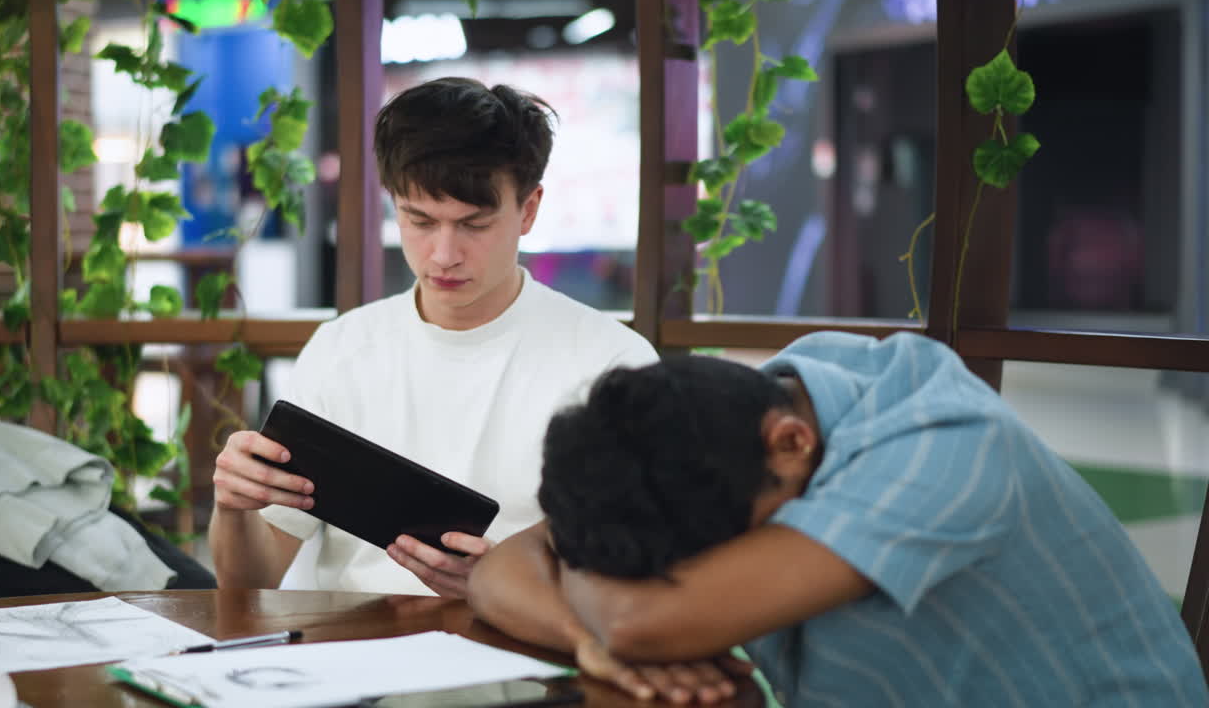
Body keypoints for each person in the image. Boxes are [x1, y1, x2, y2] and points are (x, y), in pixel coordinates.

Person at [469, 331, 1209, 706]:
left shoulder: (942, 451)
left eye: (690, 564)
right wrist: (582, 638)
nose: (687, 577)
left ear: (791, 445)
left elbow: (639, 623)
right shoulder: (723, 427)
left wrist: (601, 606)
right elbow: (499, 571)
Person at [209, 77, 657, 599]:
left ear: (529, 210)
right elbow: (248, 584)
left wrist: (503, 589)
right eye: (418, 220)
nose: (443, 255)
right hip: (356, 657)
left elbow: (637, 584)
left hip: (528, 653)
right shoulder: (343, 348)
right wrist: (233, 507)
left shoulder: (611, 365)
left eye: (474, 224)